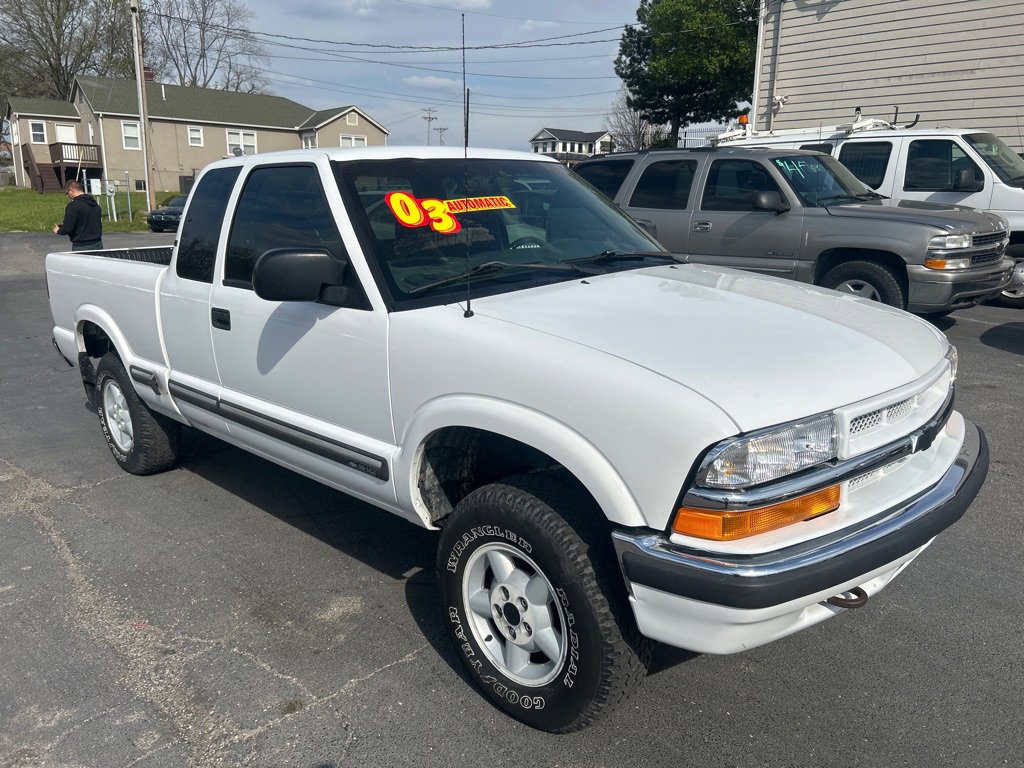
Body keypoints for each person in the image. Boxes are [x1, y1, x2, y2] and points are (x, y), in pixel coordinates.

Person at [53, 180, 103, 251]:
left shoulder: (74, 206)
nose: (68, 196)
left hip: (82, 245)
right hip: (98, 243)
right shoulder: (95, 204)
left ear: (71, 190)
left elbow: (69, 227)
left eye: (67, 193)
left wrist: (59, 230)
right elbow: (85, 222)